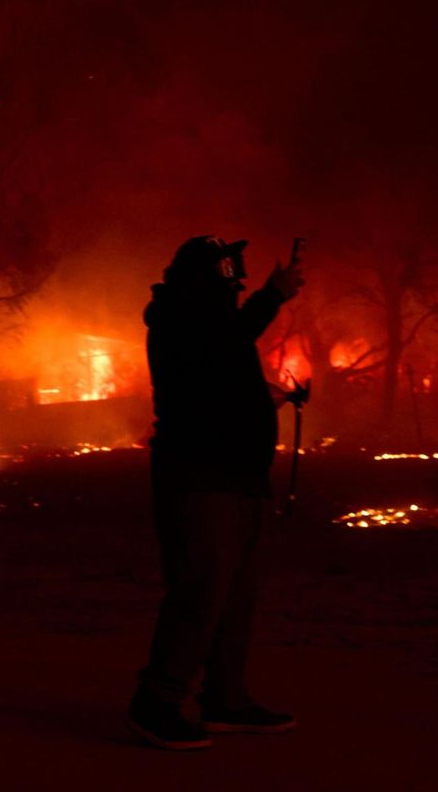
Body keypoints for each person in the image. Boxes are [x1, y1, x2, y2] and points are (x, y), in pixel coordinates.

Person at [128, 235, 305, 751]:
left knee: (235, 596)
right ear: (208, 280)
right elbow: (228, 338)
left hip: (239, 479)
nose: (237, 285)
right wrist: (272, 296)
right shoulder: (182, 321)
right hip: (200, 480)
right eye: (230, 277)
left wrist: (261, 400)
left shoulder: (211, 327)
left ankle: (224, 699)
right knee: (201, 593)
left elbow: (223, 370)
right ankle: (155, 702)